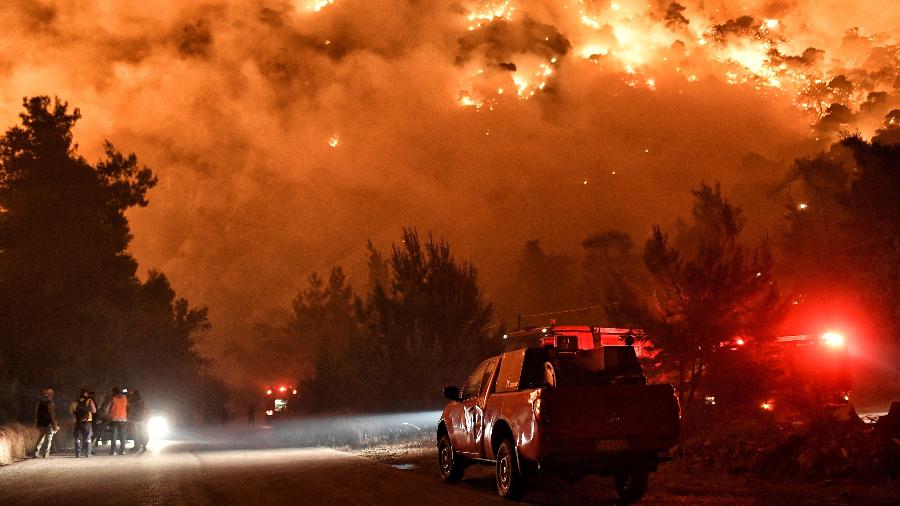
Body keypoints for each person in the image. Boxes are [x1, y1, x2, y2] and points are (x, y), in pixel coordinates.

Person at [32, 388, 59, 458]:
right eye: (52, 394)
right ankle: (46, 454)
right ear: (50, 395)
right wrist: (54, 425)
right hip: (48, 423)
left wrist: (36, 422)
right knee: (49, 439)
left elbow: (36, 413)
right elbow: (52, 415)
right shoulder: (50, 403)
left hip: (41, 423)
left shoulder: (39, 403)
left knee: (40, 438)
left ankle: (35, 452)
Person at [70, 388, 97, 458]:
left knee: (77, 438)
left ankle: (77, 453)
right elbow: (94, 411)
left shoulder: (74, 402)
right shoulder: (89, 401)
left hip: (78, 422)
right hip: (87, 422)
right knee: (88, 438)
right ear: (87, 394)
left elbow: (71, 412)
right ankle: (87, 453)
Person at [105, 387, 129, 455]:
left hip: (114, 419)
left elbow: (106, 408)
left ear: (114, 392)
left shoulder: (112, 399)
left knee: (113, 436)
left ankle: (113, 451)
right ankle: (122, 451)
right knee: (122, 436)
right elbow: (127, 407)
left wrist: (107, 416)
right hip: (123, 419)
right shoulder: (125, 398)